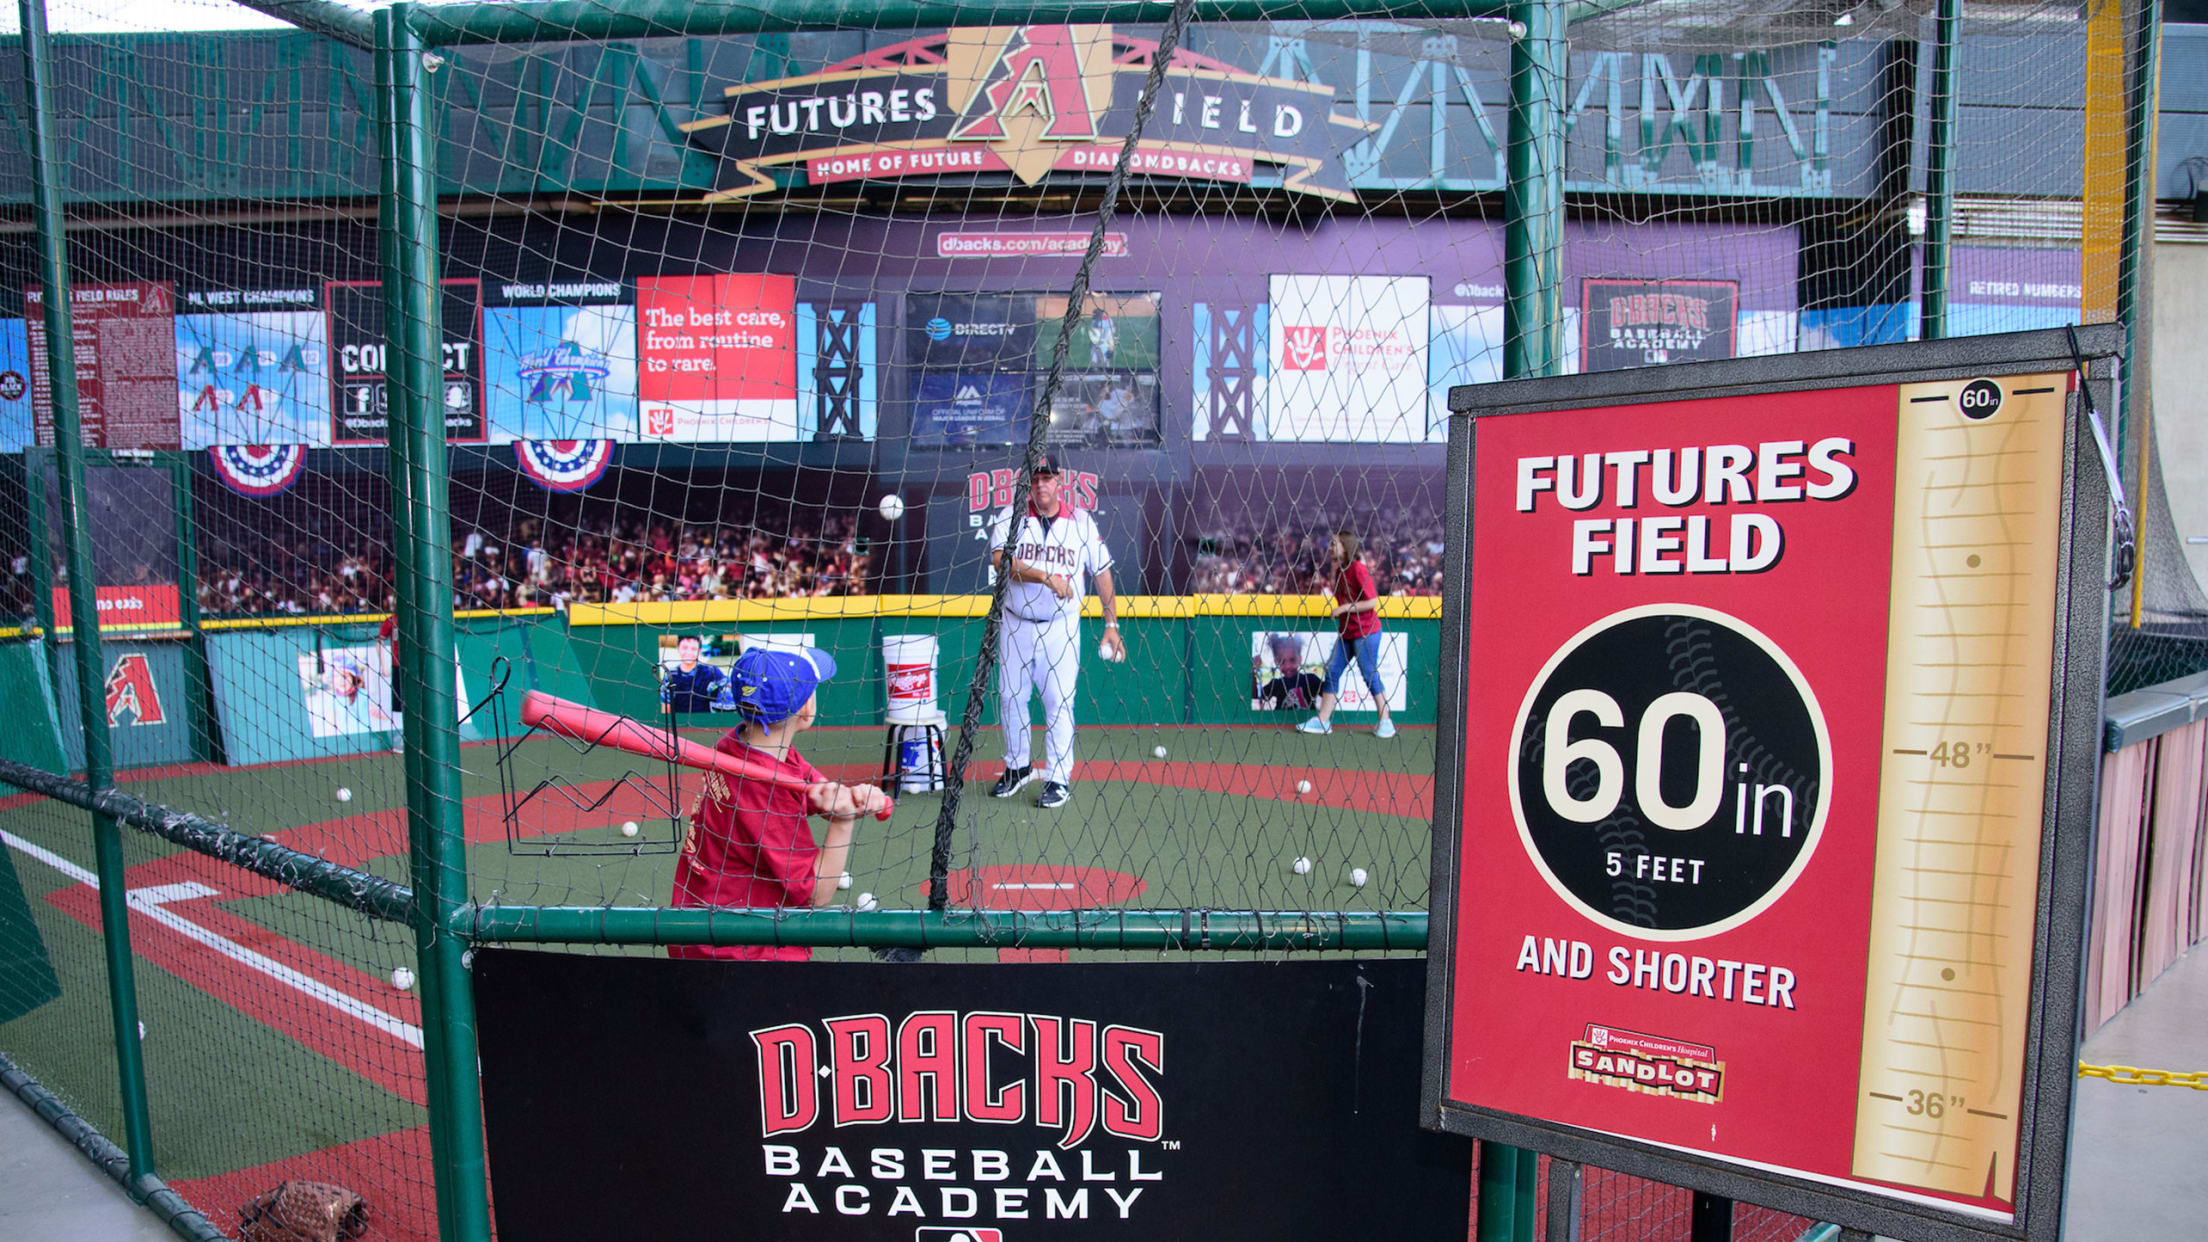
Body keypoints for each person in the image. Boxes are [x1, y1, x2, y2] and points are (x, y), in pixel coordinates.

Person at [668, 646, 889, 962]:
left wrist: (848, 797)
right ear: (805, 710)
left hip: (700, 925)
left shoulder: (736, 743)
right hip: (744, 949)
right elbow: (816, 895)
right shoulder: (763, 793)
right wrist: (843, 822)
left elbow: (812, 789)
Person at [988, 453, 1121, 809]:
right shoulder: (1011, 517)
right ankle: (1017, 767)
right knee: (1010, 697)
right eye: (1036, 478)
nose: (1041, 484)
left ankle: (1058, 777)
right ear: (1028, 483)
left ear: (1059, 481)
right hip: (1015, 621)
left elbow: (1103, 571)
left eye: (1047, 477)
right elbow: (1000, 560)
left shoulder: (1080, 522)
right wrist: (1045, 576)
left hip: (1059, 626)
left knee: (1058, 702)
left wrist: (1111, 624)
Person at [1299, 529, 1397, 739]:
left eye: (1335, 544)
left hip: (1366, 632)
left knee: (1369, 674)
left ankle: (1385, 720)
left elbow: (1372, 601)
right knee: (1332, 671)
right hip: (1347, 632)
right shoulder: (1340, 570)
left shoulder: (1358, 569)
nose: (1330, 547)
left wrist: (1344, 609)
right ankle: (1323, 721)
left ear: (1346, 546)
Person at [660, 634, 733, 715]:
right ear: (678, 648)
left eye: (693, 649)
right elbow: (666, 707)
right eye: (684, 648)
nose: (688, 652)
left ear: (700, 651)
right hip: (680, 722)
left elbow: (729, 684)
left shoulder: (711, 671)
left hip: (706, 721)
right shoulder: (670, 675)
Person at [1253, 632, 1325, 711]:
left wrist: (1330, 672)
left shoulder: (1311, 680)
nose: (1287, 666)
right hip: (1282, 722)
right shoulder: (1276, 684)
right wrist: (1253, 672)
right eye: (1282, 661)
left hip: (1306, 722)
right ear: (1276, 662)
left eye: (1292, 660)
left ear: (1300, 659)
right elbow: (1255, 695)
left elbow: (1329, 692)